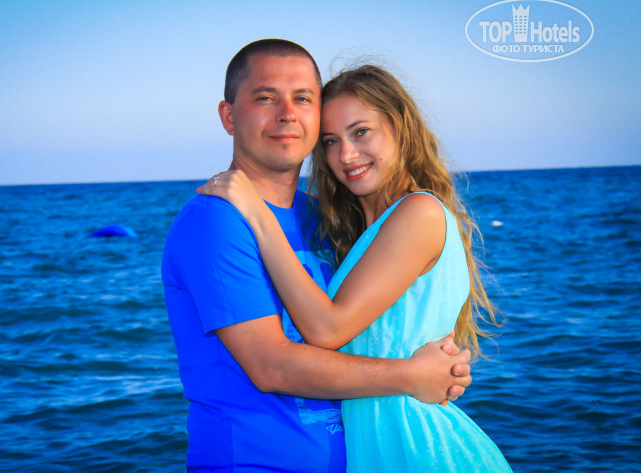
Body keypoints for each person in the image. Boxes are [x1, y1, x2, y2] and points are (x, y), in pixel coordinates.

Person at [162, 39, 473, 472]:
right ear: (229, 116)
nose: (287, 113)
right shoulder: (216, 220)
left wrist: (441, 364)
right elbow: (271, 367)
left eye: (303, 98)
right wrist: (413, 375)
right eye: (265, 97)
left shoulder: (324, 218)